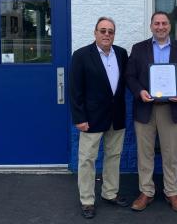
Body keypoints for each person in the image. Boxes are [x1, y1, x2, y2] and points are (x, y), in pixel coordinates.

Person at [126, 11, 177, 212]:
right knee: (144, 153)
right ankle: (146, 191)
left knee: (171, 154)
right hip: (145, 108)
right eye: (157, 23)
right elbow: (129, 76)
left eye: (164, 23)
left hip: (171, 109)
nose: (161, 27)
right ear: (151, 26)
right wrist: (140, 91)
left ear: (169, 26)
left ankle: (171, 191)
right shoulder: (139, 49)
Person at [70, 17, 129, 219]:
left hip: (116, 116)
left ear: (114, 34)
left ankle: (110, 193)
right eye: (102, 30)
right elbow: (75, 90)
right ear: (95, 33)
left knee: (114, 156)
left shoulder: (121, 53)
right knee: (87, 159)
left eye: (110, 31)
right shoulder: (81, 55)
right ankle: (87, 200)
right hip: (91, 118)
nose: (106, 34)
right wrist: (79, 117)